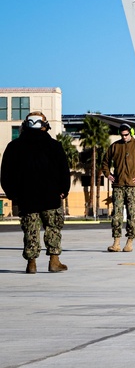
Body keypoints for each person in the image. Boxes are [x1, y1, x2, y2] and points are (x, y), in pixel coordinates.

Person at [1, 112, 71, 273]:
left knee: (30, 230)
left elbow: (5, 173)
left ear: (26, 125)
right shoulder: (54, 146)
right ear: (44, 126)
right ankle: (54, 261)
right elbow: (64, 171)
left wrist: (12, 194)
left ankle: (31, 263)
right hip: (50, 196)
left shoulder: (14, 147)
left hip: (26, 198)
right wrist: (63, 190)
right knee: (53, 228)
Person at [101, 122, 135, 253]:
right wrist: (108, 174)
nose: (124, 137)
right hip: (118, 185)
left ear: (130, 133)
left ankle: (130, 241)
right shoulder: (115, 146)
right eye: (122, 135)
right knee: (117, 215)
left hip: (133, 186)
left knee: (132, 214)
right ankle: (116, 242)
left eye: (126, 135)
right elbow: (105, 162)